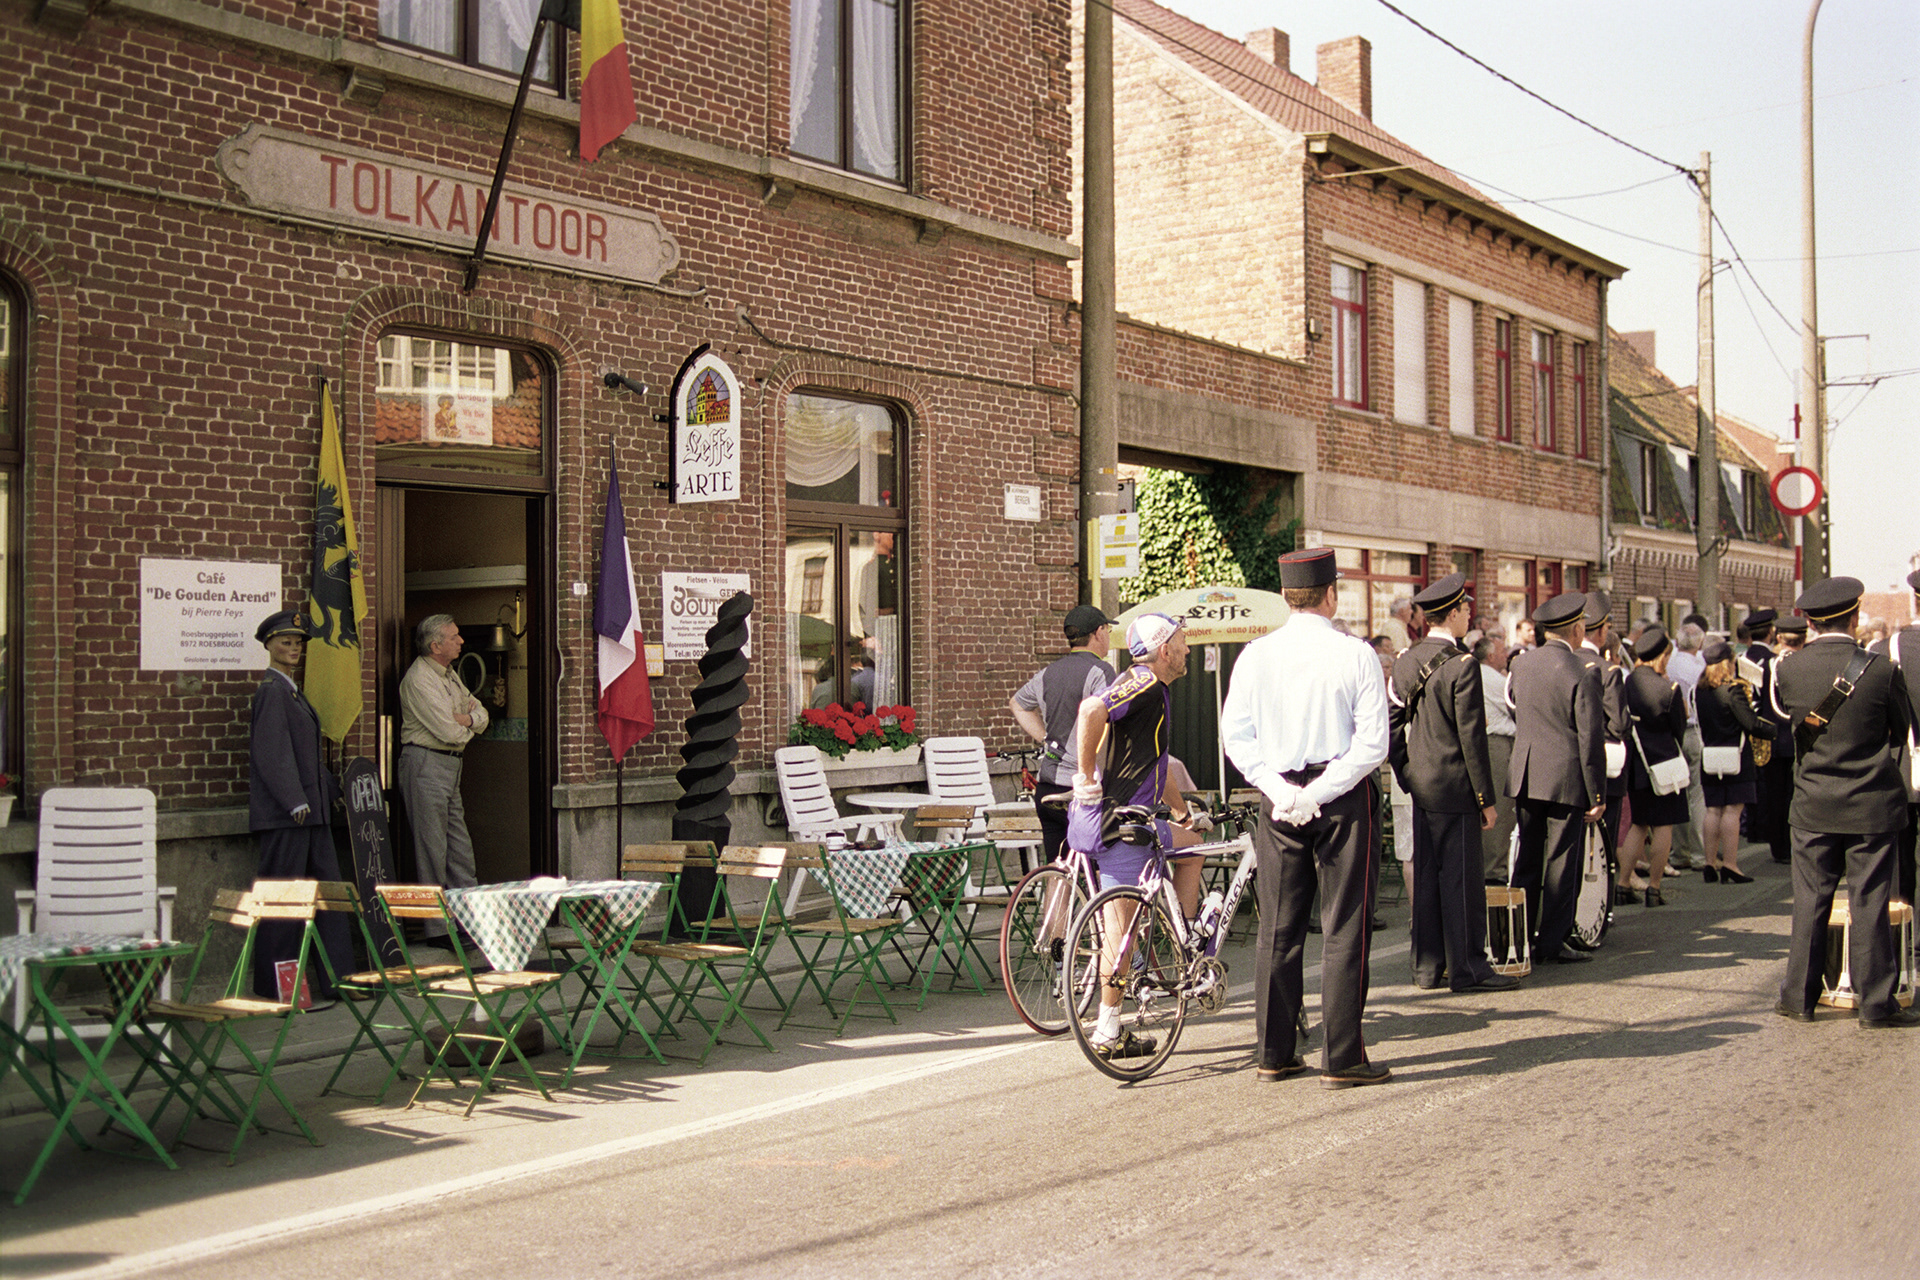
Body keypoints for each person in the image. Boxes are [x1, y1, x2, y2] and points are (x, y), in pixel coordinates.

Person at [1222, 548, 1391, 1088]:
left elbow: (1236, 737)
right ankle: (1342, 1057)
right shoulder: (1356, 653)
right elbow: (1372, 745)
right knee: (1345, 925)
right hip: (1340, 795)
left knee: (1278, 926)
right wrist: (1321, 790)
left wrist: (1280, 790)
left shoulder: (1254, 654)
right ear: (1330, 594)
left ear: (1286, 597)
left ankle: (1273, 1053)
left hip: (1279, 798)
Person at [1770, 577, 1919, 1028]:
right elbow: (1898, 728)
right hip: (1871, 803)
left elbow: (1787, 724)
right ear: (1854, 618)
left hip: (1814, 803)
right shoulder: (1879, 670)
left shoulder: (1787, 670)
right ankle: (1876, 1002)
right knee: (1869, 901)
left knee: (1810, 901)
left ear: (1810, 621)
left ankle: (1799, 996)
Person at [1065, 612, 1205, 1060]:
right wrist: (1084, 775)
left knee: (1193, 845)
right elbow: (1091, 709)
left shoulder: (1153, 690)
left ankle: (1183, 941)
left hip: (1141, 821)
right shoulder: (1143, 681)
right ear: (1165, 650)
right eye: (1182, 642)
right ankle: (1108, 1028)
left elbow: (1155, 763)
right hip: (1122, 826)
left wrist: (1183, 812)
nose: (1187, 648)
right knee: (1119, 935)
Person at [1388, 573, 1516, 993]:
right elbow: (1471, 739)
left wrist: (1406, 772)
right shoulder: (1463, 665)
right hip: (1457, 788)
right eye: (1466, 610)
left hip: (1422, 786)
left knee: (1425, 879)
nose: (1468, 617)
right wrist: (1486, 799)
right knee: (1461, 882)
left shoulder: (1407, 660)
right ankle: (1469, 968)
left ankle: (1427, 967)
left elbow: (1390, 725)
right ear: (1456, 613)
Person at [248, 611, 354, 1003]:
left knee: (328, 895)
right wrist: (294, 800)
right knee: (284, 901)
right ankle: (278, 988)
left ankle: (340, 979)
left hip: (313, 814)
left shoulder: (292, 690)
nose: (293, 649)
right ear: (268, 646)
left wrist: (330, 790)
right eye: (285, 642)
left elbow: (305, 755)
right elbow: (272, 754)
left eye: (298, 643)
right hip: (289, 817)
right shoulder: (272, 691)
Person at [1504, 591, 1605, 964]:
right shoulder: (1582, 670)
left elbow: (1517, 711)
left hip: (1528, 770)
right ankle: (1552, 941)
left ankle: (1518, 937)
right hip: (1565, 773)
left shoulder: (1521, 665)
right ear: (1578, 629)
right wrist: (1597, 793)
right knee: (1563, 860)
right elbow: (1589, 737)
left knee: (1527, 857)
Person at [398, 613, 490, 930]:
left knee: (459, 848)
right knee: (432, 849)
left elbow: (481, 712)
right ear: (436, 645)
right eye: (454, 637)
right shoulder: (419, 679)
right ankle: (436, 927)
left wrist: (468, 719)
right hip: (426, 763)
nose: (461, 641)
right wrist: (468, 723)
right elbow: (448, 731)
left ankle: (468, 921)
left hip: (451, 765)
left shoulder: (449, 675)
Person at [1010, 603, 1117, 864]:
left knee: (1058, 871)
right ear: (1099, 632)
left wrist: (1045, 737)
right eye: (1108, 632)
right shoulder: (1102, 672)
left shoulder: (1048, 673)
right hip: (1082, 790)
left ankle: (1054, 907)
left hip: (1047, 787)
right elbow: (1109, 724)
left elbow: (1017, 703)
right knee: (1104, 871)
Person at [1618, 626, 1690, 907]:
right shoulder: (1669, 689)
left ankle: (1624, 883)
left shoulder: (1625, 683)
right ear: (1662, 656)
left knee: (1638, 824)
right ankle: (1655, 888)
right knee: (1663, 827)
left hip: (1636, 764)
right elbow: (1679, 730)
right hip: (1664, 764)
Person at [1866, 568, 1920, 910]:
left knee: (1899, 858)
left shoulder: (1885, 649)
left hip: (1899, 766)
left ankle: (1905, 942)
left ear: (1915, 599)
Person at [1576, 592, 1632, 901]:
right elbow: (1619, 725)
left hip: (1570, 767)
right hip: (1604, 767)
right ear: (1602, 630)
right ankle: (1600, 908)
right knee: (1604, 843)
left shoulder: (1563, 662)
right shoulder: (1607, 670)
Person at [1695, 639, 1763, 884]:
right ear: (1727, 663)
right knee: (1733, 810)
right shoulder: (1733, 690)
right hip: (1736, 755)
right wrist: (1772, 730)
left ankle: (1709, 863)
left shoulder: (1699, 690)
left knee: (1713, 809)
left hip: (1710, 755)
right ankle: (1731, 865)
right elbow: (1750, 723)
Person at [1744, 609, 1796, 867]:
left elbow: (1751, 701)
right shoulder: (1775, 662)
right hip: (1788, 735)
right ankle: (1786, 844)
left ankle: (1775, 842)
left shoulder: (1751, 660)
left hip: (1766, 734)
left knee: (1772, 793)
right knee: (1787, 794)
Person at [1474, 632, 1518, 883]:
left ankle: (1491, 867)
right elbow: (1515, 708)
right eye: (1502, 652)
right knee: (1500, 810)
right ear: (1490, 655)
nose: (1506, 656)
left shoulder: (1481, 674)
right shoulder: (1493, 679)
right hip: (1497, 745)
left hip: (1489, 744)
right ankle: (1494, 870)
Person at [1665, 622, 1709, 872]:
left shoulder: (1669, 664)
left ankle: (1679, 851)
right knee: (1697, 793)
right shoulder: (1700, 668)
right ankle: (1700, 853)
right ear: (1700, 643)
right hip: (1694, 729)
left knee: (1677, 791)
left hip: (1673, 731)